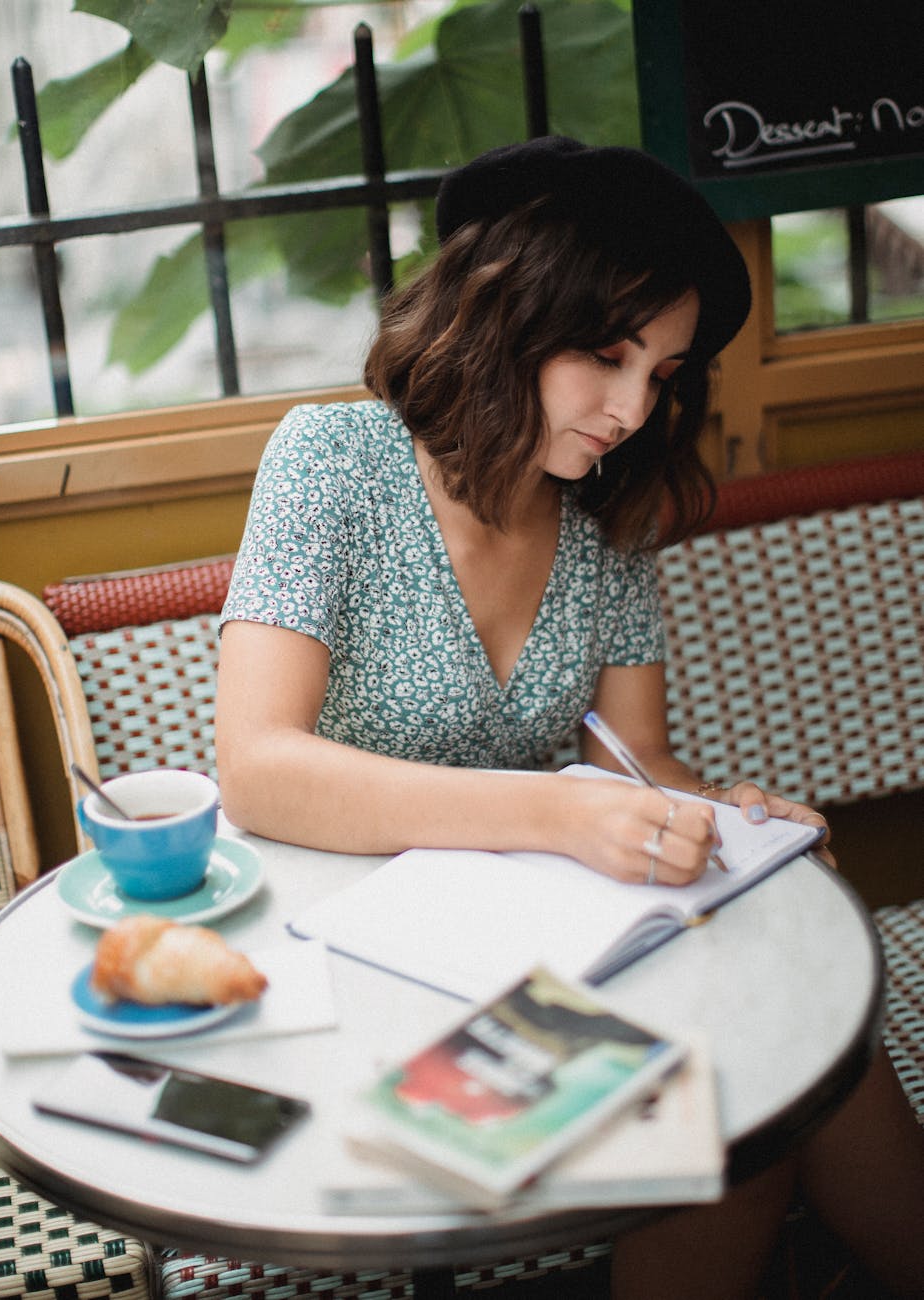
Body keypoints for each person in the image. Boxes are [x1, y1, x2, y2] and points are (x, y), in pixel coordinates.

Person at [216, 137, 924, 1297]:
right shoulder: (333, 459)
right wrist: (549, 813)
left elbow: (634, 758)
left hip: (524, 952)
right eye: (605, 354)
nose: (634, 408)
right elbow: (254, 767)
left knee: (748, 1126)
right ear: (506, 311)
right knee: (742, 1115)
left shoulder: (608, 519)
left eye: (662, 370)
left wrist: (731, 820)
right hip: (339, 964)